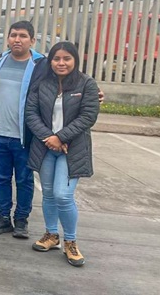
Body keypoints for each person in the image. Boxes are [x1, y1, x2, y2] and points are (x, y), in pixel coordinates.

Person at [26, 42, 99, 267]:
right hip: (46, 147)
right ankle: (51, 235)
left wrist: (62, 137)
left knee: (63, 195)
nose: (61, 63)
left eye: (66, 58)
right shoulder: (43, 83)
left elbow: (88, 116)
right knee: (48, 193)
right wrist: (49, 138)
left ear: (75, 60)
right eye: (56, 58)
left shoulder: (86, 84)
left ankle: (71, 241)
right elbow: (31, 113)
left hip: (72, 149)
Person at [0, 20, 48, 238]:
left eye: (22, 36)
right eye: (13, 35)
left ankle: (21, 219)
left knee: (24, 179)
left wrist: (93, 92)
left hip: (24, 136)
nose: (17, 40)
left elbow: (67, 81)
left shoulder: (41, 66)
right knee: (1, 178)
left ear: (32, 40)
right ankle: (3, 217)